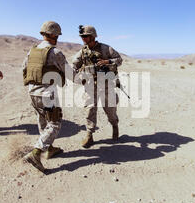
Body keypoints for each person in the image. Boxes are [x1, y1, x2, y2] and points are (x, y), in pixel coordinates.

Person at [21, 21, 72, 172]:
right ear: (54, 35)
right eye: (57, 35)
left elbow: (24, 68)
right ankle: (36, 153)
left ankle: (49, 148)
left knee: (43, 119)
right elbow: (69, 73)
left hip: (32, 92)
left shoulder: (32, 50)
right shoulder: (55, 53)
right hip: (46, 93)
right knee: (55, 123)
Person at [72, 25, 123, 148]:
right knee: (90, 110)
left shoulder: (106, 48)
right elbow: (74, 65)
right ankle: (89, 135)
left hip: (106, 85)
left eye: (85, 36)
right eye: (82, 36)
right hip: (90, 86)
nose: (83, 38)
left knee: (110, 109)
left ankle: (114, 126)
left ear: (92, 36)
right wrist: (79, 74)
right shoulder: (83, 52)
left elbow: (119, 60)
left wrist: (108, 61)